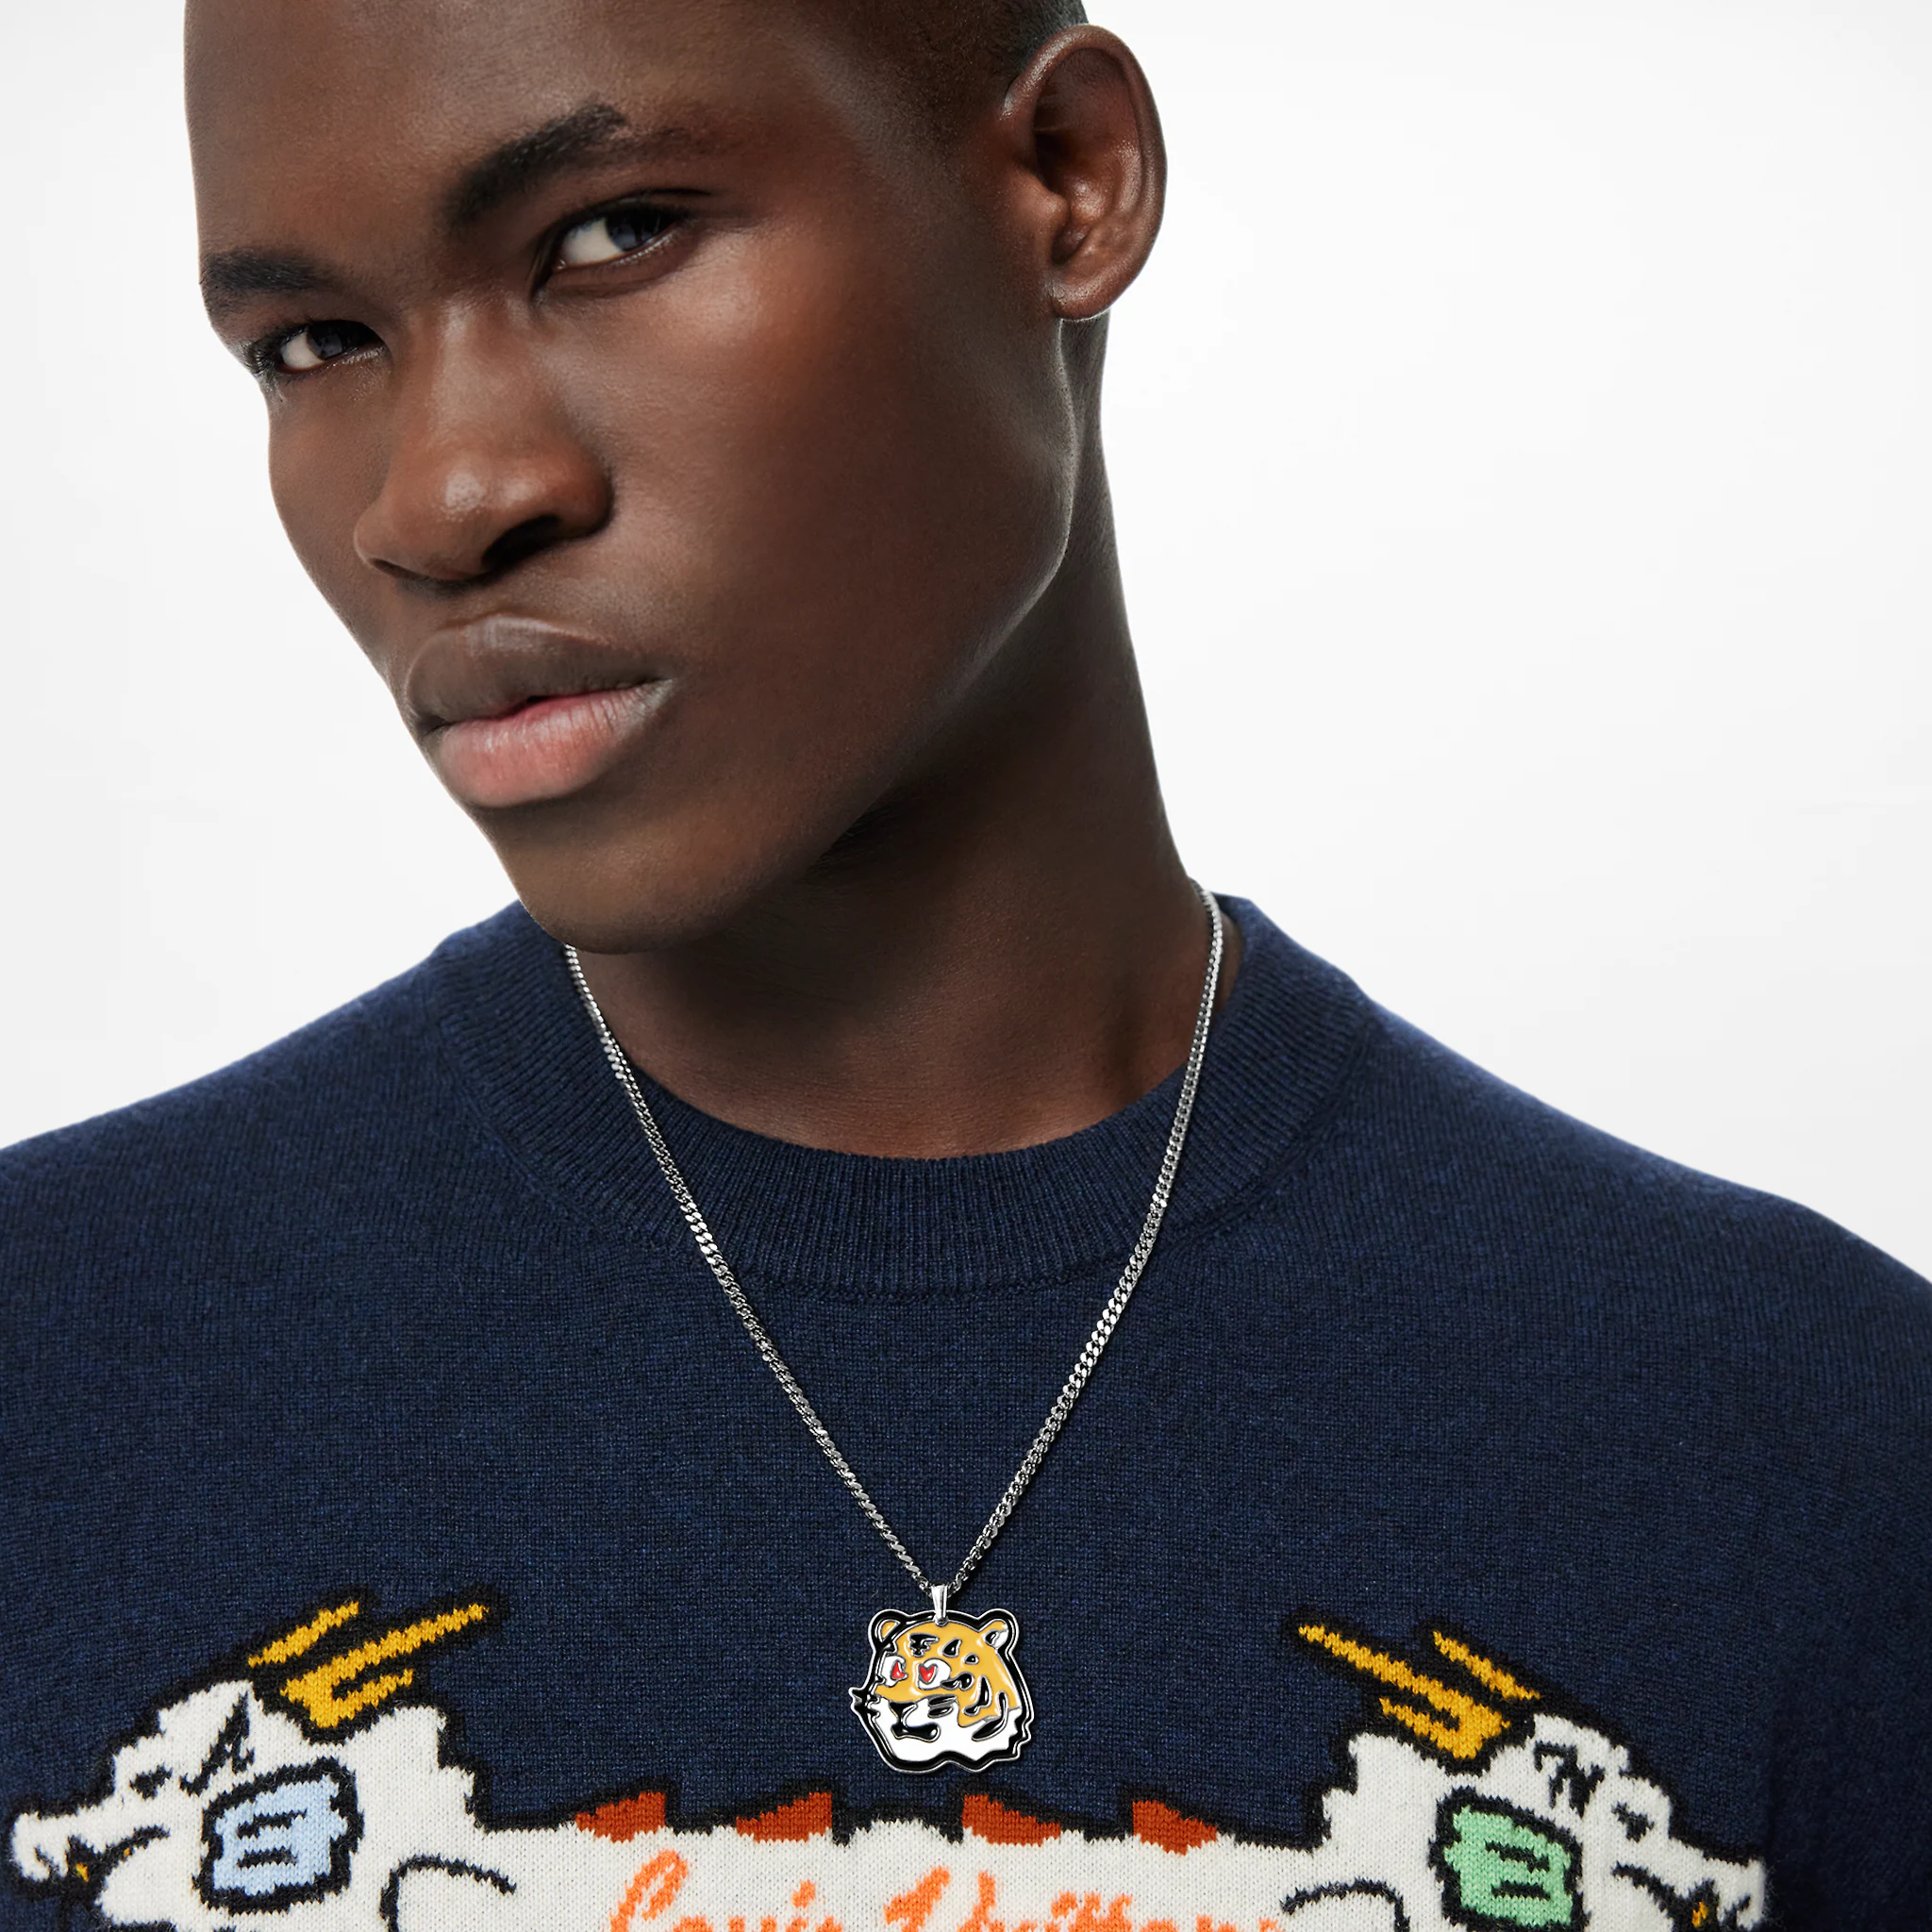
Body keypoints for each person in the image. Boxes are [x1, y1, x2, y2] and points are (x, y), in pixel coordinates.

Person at [2, 1, 1926, 1927]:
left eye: (612, 235)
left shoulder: (1806, 1454)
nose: (437, 498)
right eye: (313, 343)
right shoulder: (52, 1376)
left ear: (1071, 181)